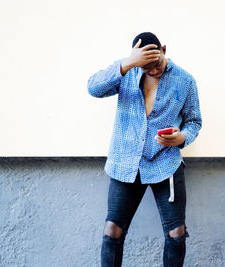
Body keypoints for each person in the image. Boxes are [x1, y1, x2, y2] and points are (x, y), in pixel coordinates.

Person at [87, 32, 202, 267]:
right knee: (113, 230)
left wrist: (181, 138)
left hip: (165, 164)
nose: (153, 71)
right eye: (146, 67)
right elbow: (93, 88)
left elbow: (194, 121)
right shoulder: (126, 72)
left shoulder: (185, 80)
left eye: (157, 64)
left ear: (165, 50)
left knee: (176, 233)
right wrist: (129, 63)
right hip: (126, 163)